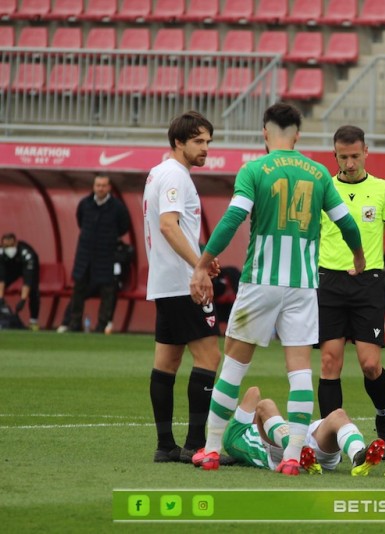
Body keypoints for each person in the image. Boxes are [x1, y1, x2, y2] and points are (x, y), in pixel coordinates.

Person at [189, 103, 366, 475]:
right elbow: (347, 224)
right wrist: (359, 256)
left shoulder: (254, 169)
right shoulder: (318, 173)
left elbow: (234, 218)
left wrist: (204, 262)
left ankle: (211, 449)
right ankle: (291, 456)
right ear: (298, 134)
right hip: (302, 285)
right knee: (300, 370)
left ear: (265, 134)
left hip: (261, 282)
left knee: (235, 364)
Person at [317, 125, 385, 461]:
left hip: (368, 283)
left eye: (355, 155)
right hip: (329, 282)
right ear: (335, 155)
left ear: (366, 152)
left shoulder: (383, 189)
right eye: (343, 157)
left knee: (370, 364)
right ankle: (333, 442)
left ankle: (382, 417)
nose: (350, 163)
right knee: (329, 362)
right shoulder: (324, 189)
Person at [143, 111, 222, 464]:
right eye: (198, 142)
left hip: (165, 281)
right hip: (183, 283)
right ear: (179, 142)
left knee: (167, 362)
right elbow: (168, 226)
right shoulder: (176, 175)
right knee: (209, 357)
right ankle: (194, 444)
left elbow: (175, 228)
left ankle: (165, 446)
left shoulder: (158, 172)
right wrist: (199, 266)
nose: (206, 148)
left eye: (208, 141)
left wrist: (201, 257)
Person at [223, 385, 385, 476]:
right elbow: (254, 392)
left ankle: (358, 456)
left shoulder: (240, 438)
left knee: (338, 415)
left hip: (300, 444)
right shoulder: (233, 436)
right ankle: (298, 451)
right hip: (281, 454)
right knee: (265, 405)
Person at [67, 174, 131, 333]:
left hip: (106, 254)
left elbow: (124, 226)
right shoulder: (85, 204)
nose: (100, 188)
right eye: (98, 185)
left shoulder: (117, 207)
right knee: (79, 289)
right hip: (85, 254)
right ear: (93, 187)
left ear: (109, 188)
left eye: (103, 185)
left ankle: (102, 325)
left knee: (107, 290)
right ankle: (74, 323)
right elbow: (80, 221)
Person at [0, 233, 40, 330]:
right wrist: (0, 298)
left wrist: (23, 300)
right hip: (10, 270)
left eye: (11, 245)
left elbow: (28, 280)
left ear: (16, 243)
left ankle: (33, 321)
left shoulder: (27, 254)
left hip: (26, 268)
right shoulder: (1, 254)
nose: (9, 248)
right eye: (6, 246)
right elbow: (1, 278)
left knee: (33, 290)